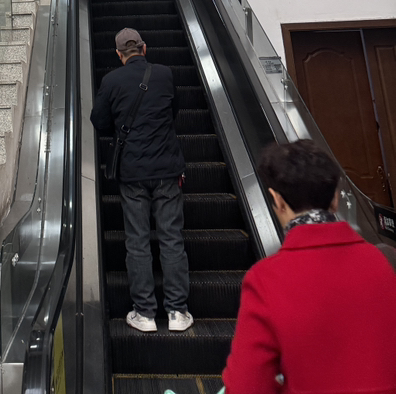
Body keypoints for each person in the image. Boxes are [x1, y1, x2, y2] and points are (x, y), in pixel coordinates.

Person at [222, 139, 396, 394]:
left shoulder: (265, 280)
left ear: (278, 201)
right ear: (335, 199)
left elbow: (245, 387)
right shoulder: (383, 262)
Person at [90, 27, 192, 332]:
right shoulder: (164, 74)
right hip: (167, 170)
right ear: (144, 49)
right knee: (172, 239)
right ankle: (177, 312)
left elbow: (99, 121)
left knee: (137, 241)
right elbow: (174, 111)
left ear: (118, 54)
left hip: (132, 172)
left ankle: (145, 313)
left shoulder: (111, 81)